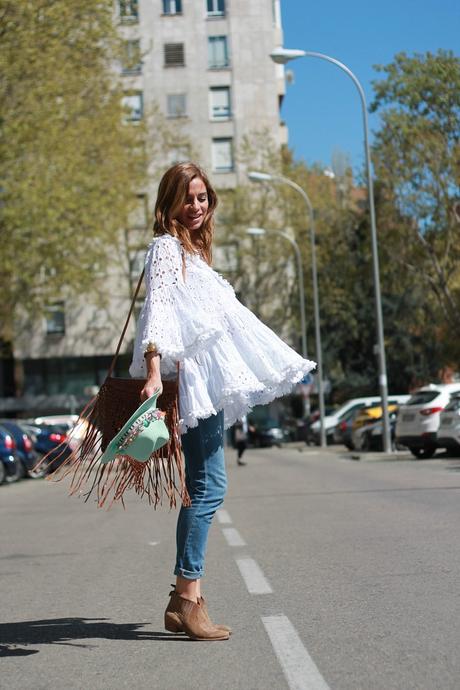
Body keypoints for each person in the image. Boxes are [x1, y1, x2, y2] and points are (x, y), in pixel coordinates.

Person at [129, 162, 316, 641]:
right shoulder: (167, 249)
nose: (196, 206)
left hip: (205, 380)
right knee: (209, 486)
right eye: (187, 198)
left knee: (203, 484)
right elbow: (158, 310)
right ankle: (188, 597)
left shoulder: (194, 251)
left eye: (202, 198)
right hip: (194, 381)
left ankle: (181, 599)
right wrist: (153, 367)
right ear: (169, 202)